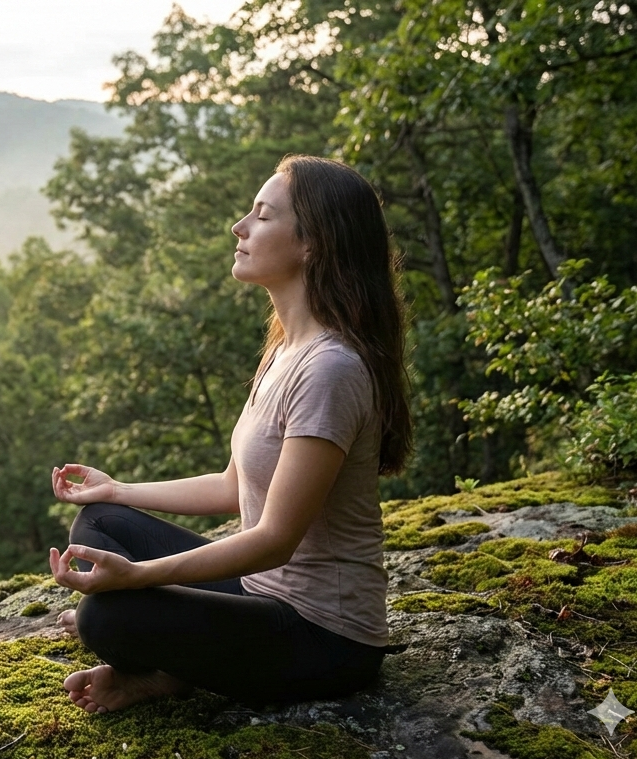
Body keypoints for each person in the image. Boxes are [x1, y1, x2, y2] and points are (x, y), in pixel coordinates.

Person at [47, 155, 413, 714]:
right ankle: (174, 661)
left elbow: (274, 540)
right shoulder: (284, 350)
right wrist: (116, 490)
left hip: (325, 636)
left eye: (262, 216)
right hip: (259, 594)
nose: (238, 227)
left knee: (106, 616)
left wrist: (138, 578)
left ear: (312, 243)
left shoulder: (331, 369)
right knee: (100, 523)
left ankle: (168, 669)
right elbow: (230, 485)